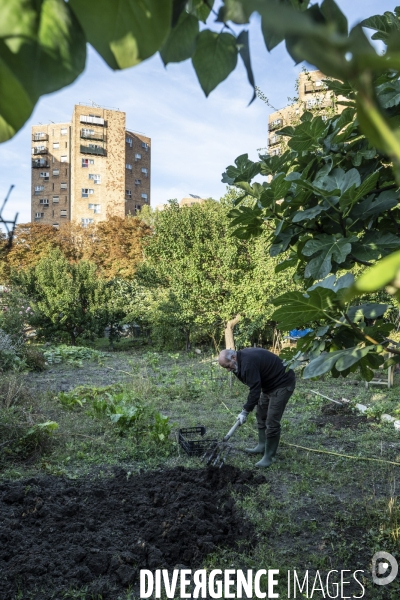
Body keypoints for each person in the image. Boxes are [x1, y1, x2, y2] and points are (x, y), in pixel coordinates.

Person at [218, 347, 295, 468]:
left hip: (282, 383)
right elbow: (252, 383)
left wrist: (245, 411)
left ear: (233, 357)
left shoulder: (248, 362)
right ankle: (262, 445)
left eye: (228, 366)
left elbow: (255, 389)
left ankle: (269, 457)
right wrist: (247, 409)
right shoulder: (239, 362)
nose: (228, 370)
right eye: (225, 368)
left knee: (272, 420)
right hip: (269, 385)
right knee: (261, 414)